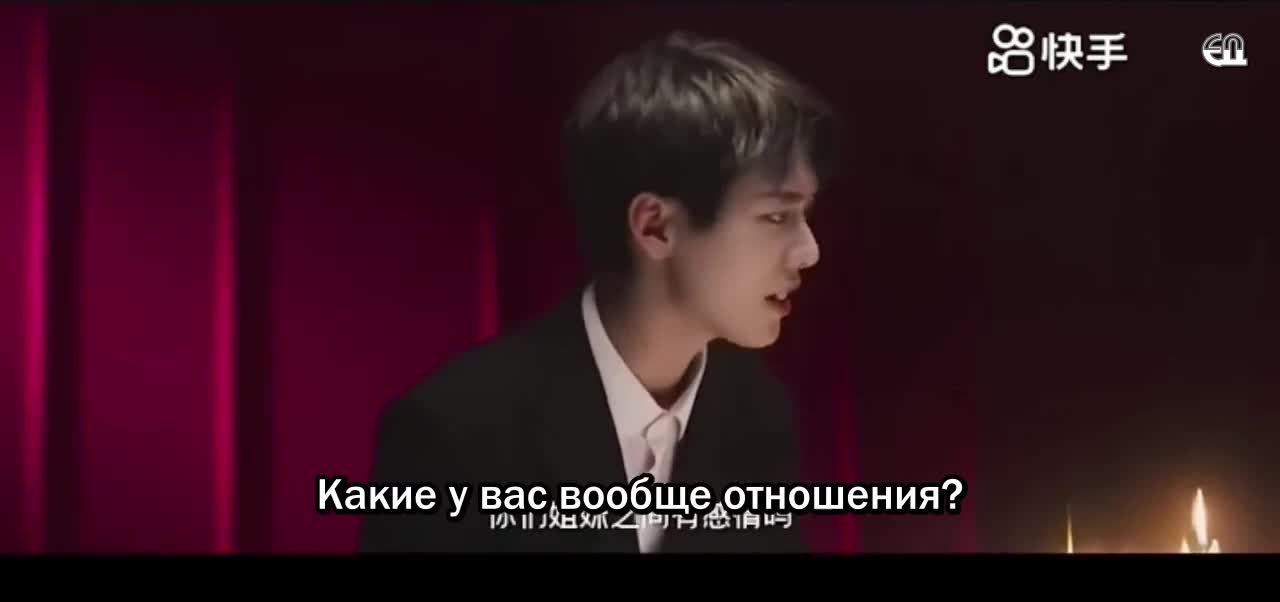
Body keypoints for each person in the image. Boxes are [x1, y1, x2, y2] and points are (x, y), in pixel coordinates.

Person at [357, 30, 843, 554]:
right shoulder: (455, 431)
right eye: (776, 216)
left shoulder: (759, 416)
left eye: (804, 215)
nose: (809, 251)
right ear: (655, 227)